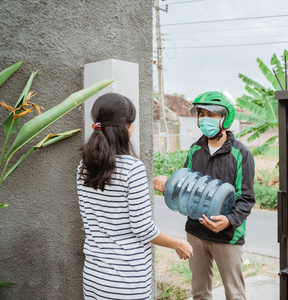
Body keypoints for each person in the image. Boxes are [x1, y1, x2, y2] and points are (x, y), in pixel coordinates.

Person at [77, 93, 193, 300]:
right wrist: (178, 243)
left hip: (94, 277)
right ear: (126, 127)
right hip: (126, 280)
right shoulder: (133, 168)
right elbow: (142, 228)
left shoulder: (83, 167)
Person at [154, 91, 255, 300]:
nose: (206, 118)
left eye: (213, 114)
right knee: (200, 293)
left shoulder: (240, 154)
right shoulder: (195, 150)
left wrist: (228, 221)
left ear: (225, 118)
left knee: (234, 294)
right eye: (203, 113)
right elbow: (186, 186)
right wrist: (168, 187)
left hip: (227, 236)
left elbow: (246, 198)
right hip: (196, 233)